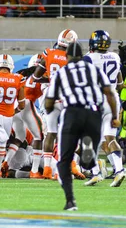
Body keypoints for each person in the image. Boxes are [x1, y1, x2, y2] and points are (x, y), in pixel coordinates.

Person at [45, 41, 120, 211]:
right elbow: (109, 93)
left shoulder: (62, 72)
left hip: (72, 113)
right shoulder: (94, 70)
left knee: (64, 161)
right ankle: (88, 156)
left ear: (67, 57)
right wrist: (115, 116)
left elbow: (49, 101)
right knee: (87, 162)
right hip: (93, 114)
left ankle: (70, 200)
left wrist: (51, 110)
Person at [32, 29, 78, 179]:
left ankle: (46, 169)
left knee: (50, 133)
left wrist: (51, 79)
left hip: (50, 96)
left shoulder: (48, 53)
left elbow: (36, 76)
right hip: (66, 97)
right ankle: (70, 165)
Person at [83, 30, 125, 187]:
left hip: (97, 101)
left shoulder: (89, 58)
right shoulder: (115, 56)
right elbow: (120, 82)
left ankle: (95, 172)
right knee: (110, 139)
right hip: (113, 99)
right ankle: (119, 170)